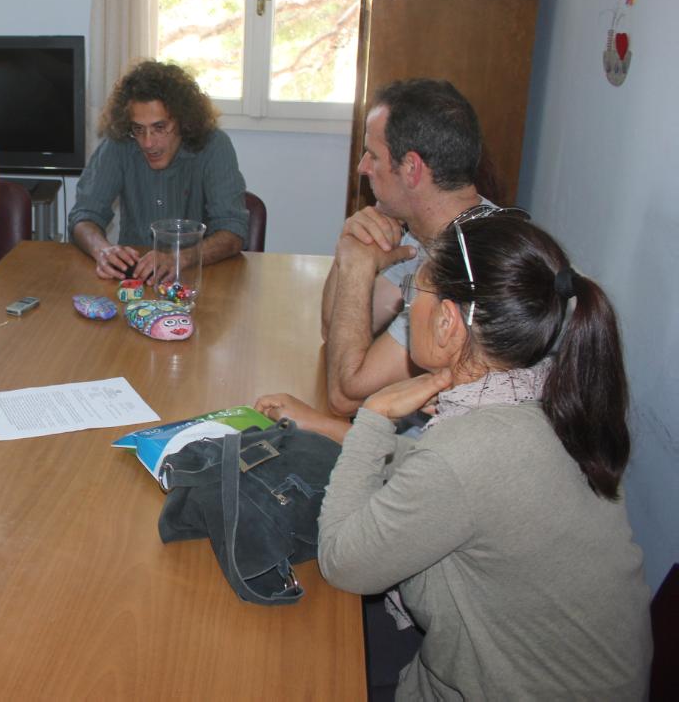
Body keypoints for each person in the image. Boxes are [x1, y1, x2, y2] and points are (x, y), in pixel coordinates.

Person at [259, 213, 652, 699]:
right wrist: (325, 425)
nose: (406, 308)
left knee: (289, 657)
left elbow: (342, 562)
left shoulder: (467, 450)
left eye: (413, 295)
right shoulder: (545, 393)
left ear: (447, 322)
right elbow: (443, 480)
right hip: (555, 676)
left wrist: (375, 417)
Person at [321, 78, 494, 416]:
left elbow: (345, 393)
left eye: (372, 156)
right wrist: (350, 247)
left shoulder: (464, 267)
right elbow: (334, 330)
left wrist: (357, 266)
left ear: (412, 169)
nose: (362, 168)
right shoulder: (425, 233)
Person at [69, 59, 249, 282]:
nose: (147, 142)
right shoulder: (119, 144)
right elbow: (84, 215)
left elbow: (233, 231)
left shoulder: (214, 146)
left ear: (183, 121)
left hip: (199, 277)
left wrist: (180, 258)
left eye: (159, 127)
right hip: (134, 280)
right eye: (138, 129)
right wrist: (102, 250)